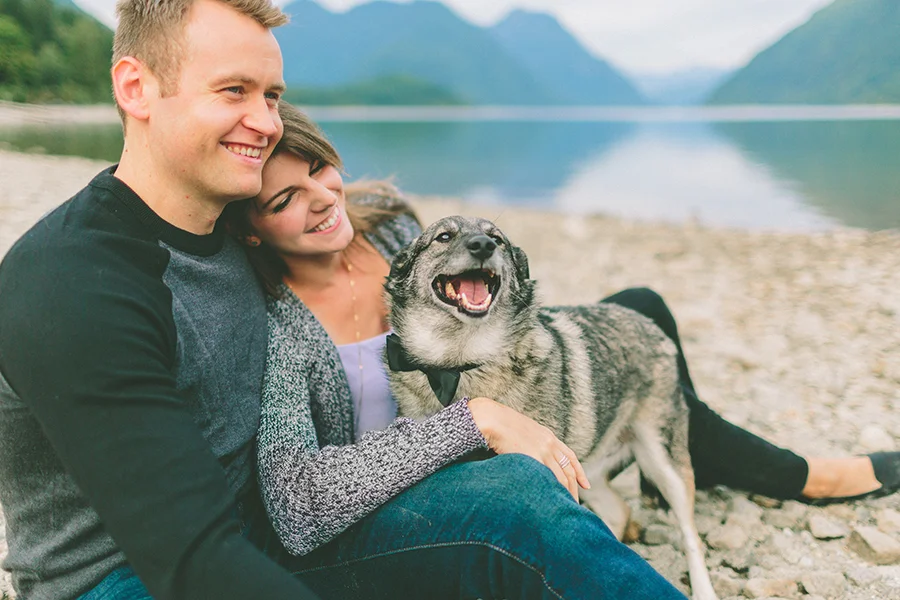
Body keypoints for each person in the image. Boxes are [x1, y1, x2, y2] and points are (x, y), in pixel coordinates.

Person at [0, 1, 686, 599]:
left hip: (271, 542)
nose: (264, 122)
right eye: (232, 90)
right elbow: (193, 560)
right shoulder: (75, 284)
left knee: (519, 500)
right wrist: (468, 422)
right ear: (136, 86)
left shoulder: (244, 233)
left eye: (271, 95)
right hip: (135, 579)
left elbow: (344, 216)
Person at [220, 102, 900, 580]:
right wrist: (474, 420)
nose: (319, 197)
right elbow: (299, 505)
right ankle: (773, 473)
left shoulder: (394, 232)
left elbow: (494, 304)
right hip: (422, 466)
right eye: (284, 200)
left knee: (641, 311)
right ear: (251, 228)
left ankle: (679, 456)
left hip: (494, 389)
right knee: (624, 383)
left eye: (319, 169)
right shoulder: (276, 323)